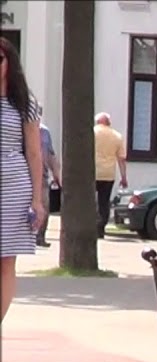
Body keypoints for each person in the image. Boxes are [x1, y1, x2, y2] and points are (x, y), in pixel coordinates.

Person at [1, 38, 45, 323]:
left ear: (9, 64)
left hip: (13, 184)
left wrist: (37, 200)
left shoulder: (24, 102)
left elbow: (33, 151)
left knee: (5, 260)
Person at [93, 112, 127, 238]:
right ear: (109, 122)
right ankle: (101, 227)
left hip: (93, 172)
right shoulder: (117, 136)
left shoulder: (92, 133)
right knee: (104, 201)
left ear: (97, 122)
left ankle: (91, 225)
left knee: (90, 200)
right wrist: (124, 177)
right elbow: (121, 159)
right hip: (108, 174)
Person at [37, 113, 62, 248]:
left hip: (42, 175)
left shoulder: (45, 132)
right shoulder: (21, 128)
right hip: (23, 174)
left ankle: (40, 236)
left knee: (45, 206)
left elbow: (51, 155)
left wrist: (57, 176)